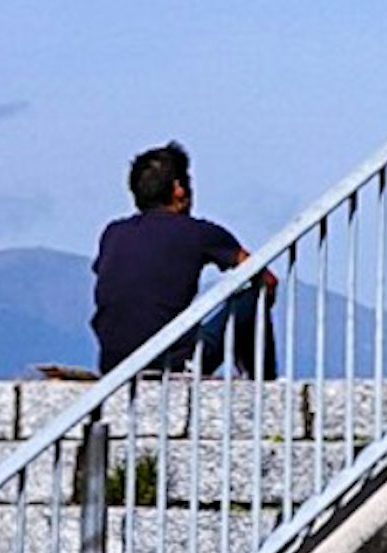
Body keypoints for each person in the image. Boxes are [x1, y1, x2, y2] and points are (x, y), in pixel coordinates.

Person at [91, 141, 272, 376]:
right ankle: (264, 383)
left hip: (114, 365)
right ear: (178, 188)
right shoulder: (198, 233)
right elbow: (266, 278)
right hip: (175, 362)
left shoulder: (113, 233)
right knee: (256, 296)